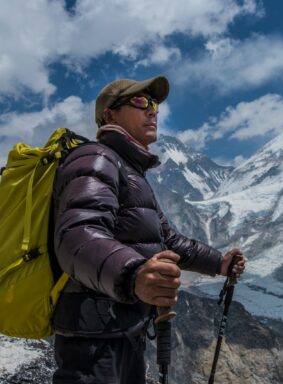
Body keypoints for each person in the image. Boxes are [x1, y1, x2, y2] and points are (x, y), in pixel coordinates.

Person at [51, 75, 245, 383]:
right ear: (109, 115)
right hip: (94, 341)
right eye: (140, 102)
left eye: (153, 104)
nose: (152, 110)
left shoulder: (131, 172)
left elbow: (167, 241)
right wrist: (134, 274)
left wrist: (219, 262)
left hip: (123, 329)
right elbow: (77, 236)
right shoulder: (97, 158)